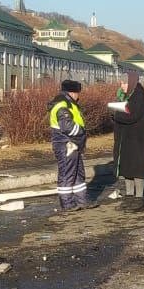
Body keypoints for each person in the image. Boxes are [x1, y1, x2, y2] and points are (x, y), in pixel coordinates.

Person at [49, 80, 93, 212]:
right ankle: (67, 204)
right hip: (66, 144)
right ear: (72, 92)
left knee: (78, 174)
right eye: (77, 93)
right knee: (67, 174)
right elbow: (67, 127)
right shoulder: (63, 106)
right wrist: (81, 132)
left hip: (73, 144)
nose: (78, 96)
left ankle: (82, 200)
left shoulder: (68, 104)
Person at [112, 70, 144, 212]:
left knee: (136, 169)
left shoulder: (138, 96)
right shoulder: (127, 95)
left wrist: (116, 114)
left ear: (131, 82)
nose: (121, 86)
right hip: (125, 138)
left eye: (123, 83)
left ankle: (139, 199)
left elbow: (131, 116)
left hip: (136, 139)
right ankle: (129, 197)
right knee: (127, 168)